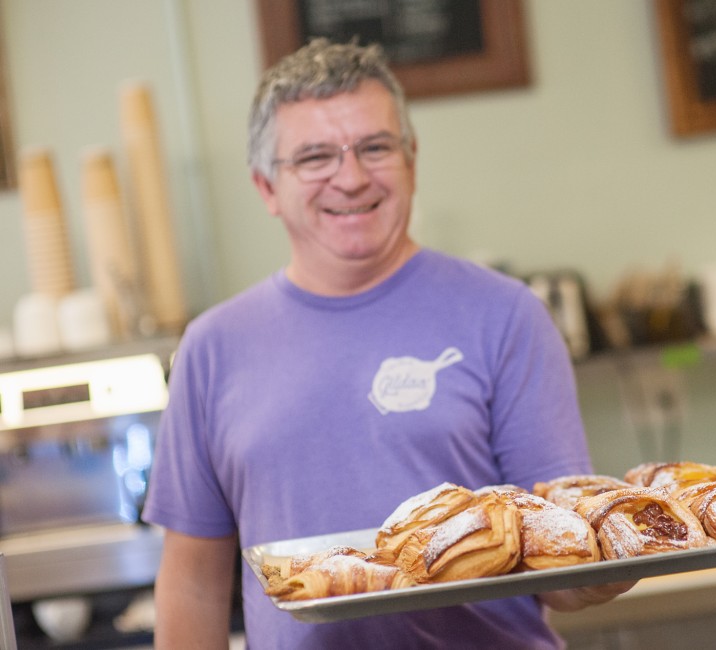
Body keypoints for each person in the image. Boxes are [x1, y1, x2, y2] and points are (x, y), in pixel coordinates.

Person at [142, 39, 630, 649]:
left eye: (374, 147)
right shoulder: (212, 347)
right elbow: (193, 585)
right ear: (267, 187)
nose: (351, 178)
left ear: (412, 161)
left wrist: (618, 558)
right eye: (315, 157)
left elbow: (560, 559)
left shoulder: (506, 315)